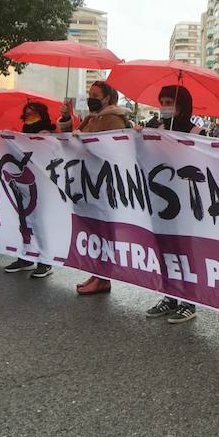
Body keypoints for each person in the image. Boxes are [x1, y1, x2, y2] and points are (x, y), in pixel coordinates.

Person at [143, 85, 205, 324]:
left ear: (182, 104)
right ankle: (170, 297)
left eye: (170, 101)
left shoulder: (197, 132)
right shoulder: (156, 128)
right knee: (165, 248)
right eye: (162, 101)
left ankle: (189, 302)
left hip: (187, 203)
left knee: (185, 251)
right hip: (160, 199)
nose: (165, 106)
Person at [75, 80, 130, 295]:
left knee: (103, 230)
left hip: (105, 183)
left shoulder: (114, 119)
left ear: (107, 98)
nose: (91, 98)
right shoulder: (92, 118)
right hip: (90, 181)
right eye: (89, 94)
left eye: (95, 95)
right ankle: (97, 273)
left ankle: (103, 276)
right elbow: (70, 135)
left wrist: (85, 142)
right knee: (94, 230)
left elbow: (113, 149)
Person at [3, 102, 56, 278]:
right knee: (24, 221)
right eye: (27, 113)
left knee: (41, 222)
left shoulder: (47, 133)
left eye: (33, 113)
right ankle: (25, 257)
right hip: (23, 184)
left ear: (42, 114)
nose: (30, 116)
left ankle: (46, 261)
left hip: (42, 184)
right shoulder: (22, 134)